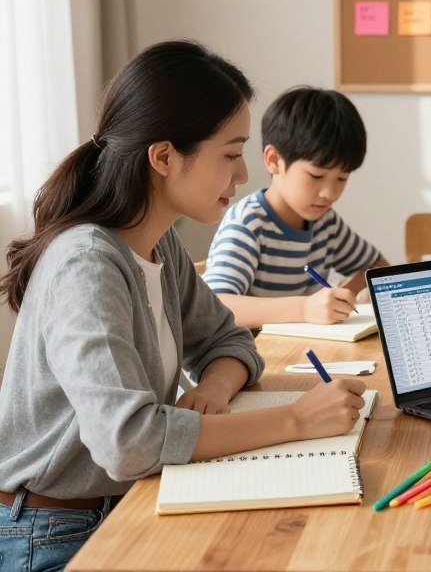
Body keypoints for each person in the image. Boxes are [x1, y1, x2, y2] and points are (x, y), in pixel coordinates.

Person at [0, 42, 366, 571]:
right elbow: (128, 441)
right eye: (230, 152)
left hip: (128, 501)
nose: (242, 175)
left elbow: (229, 340)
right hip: (54, 533)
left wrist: (213, 389)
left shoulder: (159, 243)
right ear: (165, 156)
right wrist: (296, 421)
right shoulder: (88, 265)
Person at [202, 87, 388, 329]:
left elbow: (377, 266)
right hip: (250, 358)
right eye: (316, 176)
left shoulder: (325, 223)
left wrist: (347, 294)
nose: (329, 193)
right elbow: (216, 306)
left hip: (300, 353)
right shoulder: (248, 223)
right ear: (274, 161)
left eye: (342, 178)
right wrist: (305, 308)